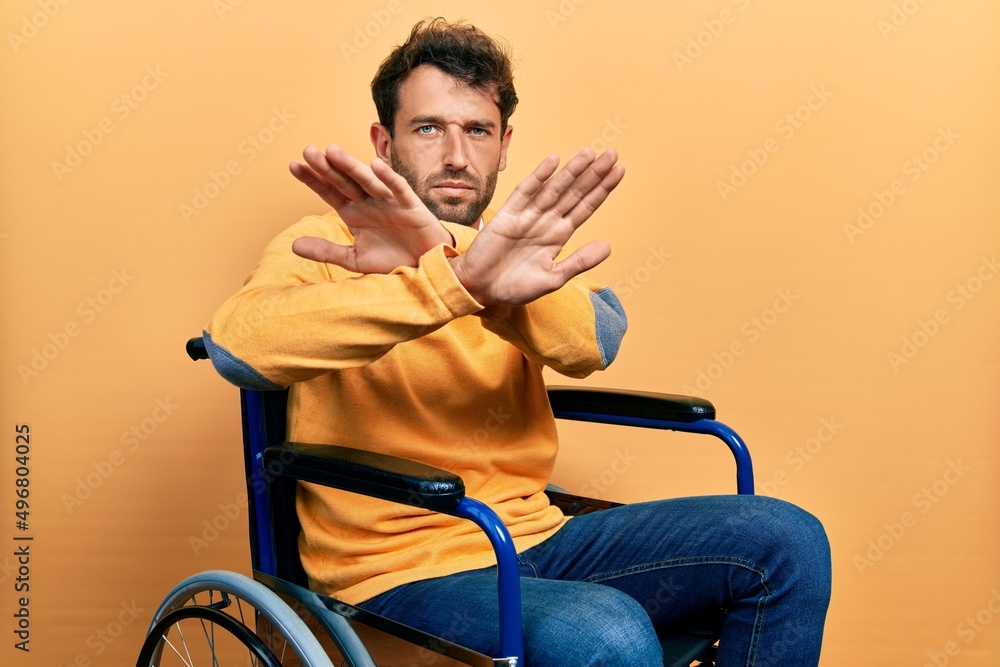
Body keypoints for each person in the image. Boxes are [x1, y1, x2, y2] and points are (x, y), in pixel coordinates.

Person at [204, 18, 831, 666]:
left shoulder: (511, 248)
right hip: (397, 570)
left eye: (476, 130)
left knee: (790, 541)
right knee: (605, 633)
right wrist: (447, 284)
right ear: (383, 141)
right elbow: (238, 346)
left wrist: (485, 279)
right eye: (428, 128)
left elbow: (597, 339)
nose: (455, 154)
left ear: (504, 145)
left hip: (534, 538)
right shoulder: (327, 241)